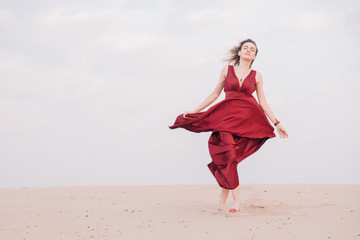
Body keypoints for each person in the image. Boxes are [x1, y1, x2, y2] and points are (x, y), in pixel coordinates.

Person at [168, 39, 288, 213]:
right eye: (245, 48)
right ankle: (237, 202)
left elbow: (263, 102)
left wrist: (277, 123)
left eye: (252, 49)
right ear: (239, 52)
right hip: (225, 120)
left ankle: (221, 202)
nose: (248, 50)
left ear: (254, 56)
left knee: (231, 160)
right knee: (230, 157)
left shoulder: (257, 76)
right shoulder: (227, 70)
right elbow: (214, 94)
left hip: (246, 123)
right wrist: (194, 111)